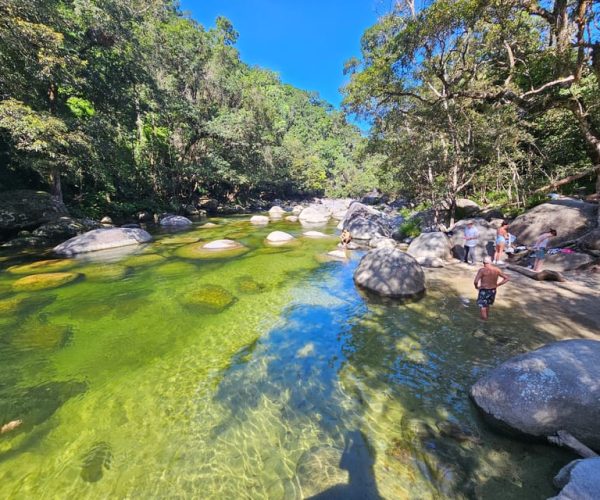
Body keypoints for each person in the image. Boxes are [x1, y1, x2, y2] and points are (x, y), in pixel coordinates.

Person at [474, 256, 510, 320]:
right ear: (490, 262)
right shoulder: (497, 270)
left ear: (483, 262)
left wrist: (476, 287)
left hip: (484, 290)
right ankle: (486, 318)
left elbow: (476, 281)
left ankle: (483, 322)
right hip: (493, 290)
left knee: (483, 307)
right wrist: (498, 285)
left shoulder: (482, 270)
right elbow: (507, 278)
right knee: (487, 305)